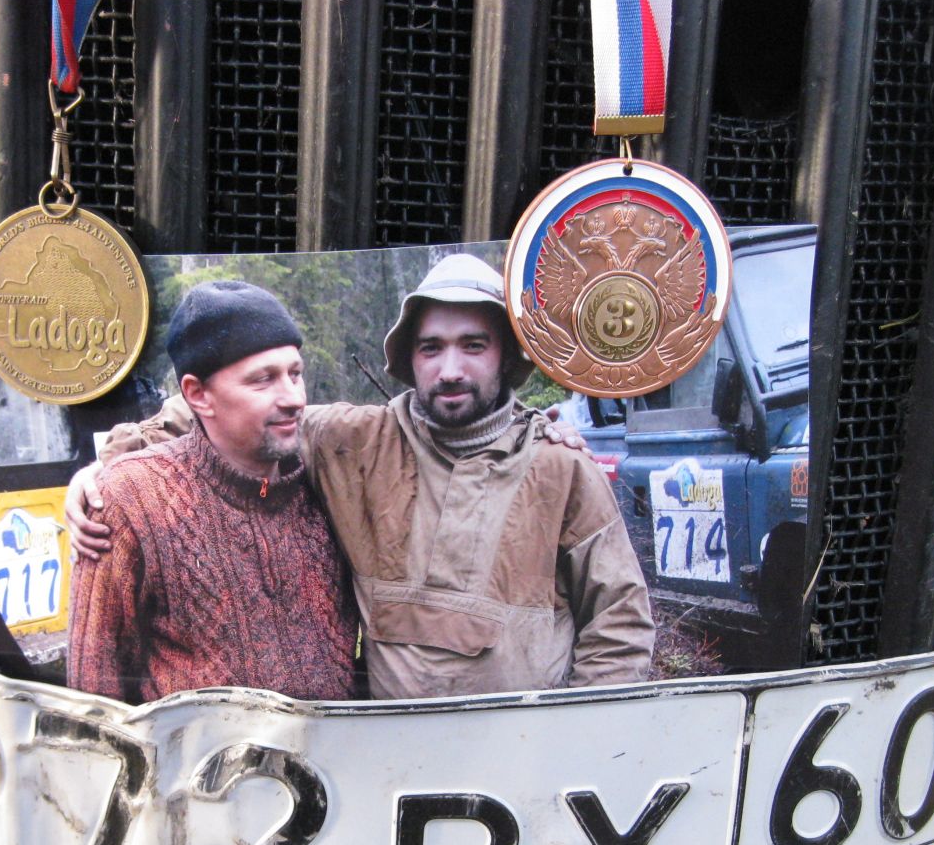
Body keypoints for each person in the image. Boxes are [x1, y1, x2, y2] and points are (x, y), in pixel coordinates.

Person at [72, 254, 655, 698]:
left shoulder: (560, 465)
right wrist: (104, 470)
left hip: (523, 767)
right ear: (408, 357)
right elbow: (223, 410)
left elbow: (621, 624)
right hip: (380, 771)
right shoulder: (354, 442)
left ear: (506, 355)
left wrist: (570, 738)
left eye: (474, 345)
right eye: (431, 348)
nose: (450, 369)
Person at [67, 280, 358, 703]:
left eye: (295, 374)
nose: (294, 398)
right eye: (263, 380)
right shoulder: (130, 500)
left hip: (335, 746)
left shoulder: (328, 481)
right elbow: (92, 699)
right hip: (195, 749)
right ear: (198, 395)